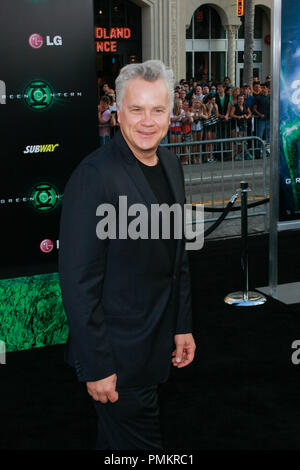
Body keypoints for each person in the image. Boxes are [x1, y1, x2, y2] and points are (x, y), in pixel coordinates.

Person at [58, 59, 196, 451]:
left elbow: (177, 256)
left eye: (158, 109)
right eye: (136, 109)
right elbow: (78, 282)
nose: (148, 121)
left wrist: (181, 324)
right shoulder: (94, 175)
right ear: (117, 113)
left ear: (172, 112)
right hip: (117, 357)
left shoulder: (171, 164)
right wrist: (97, 365)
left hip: (157, 344)